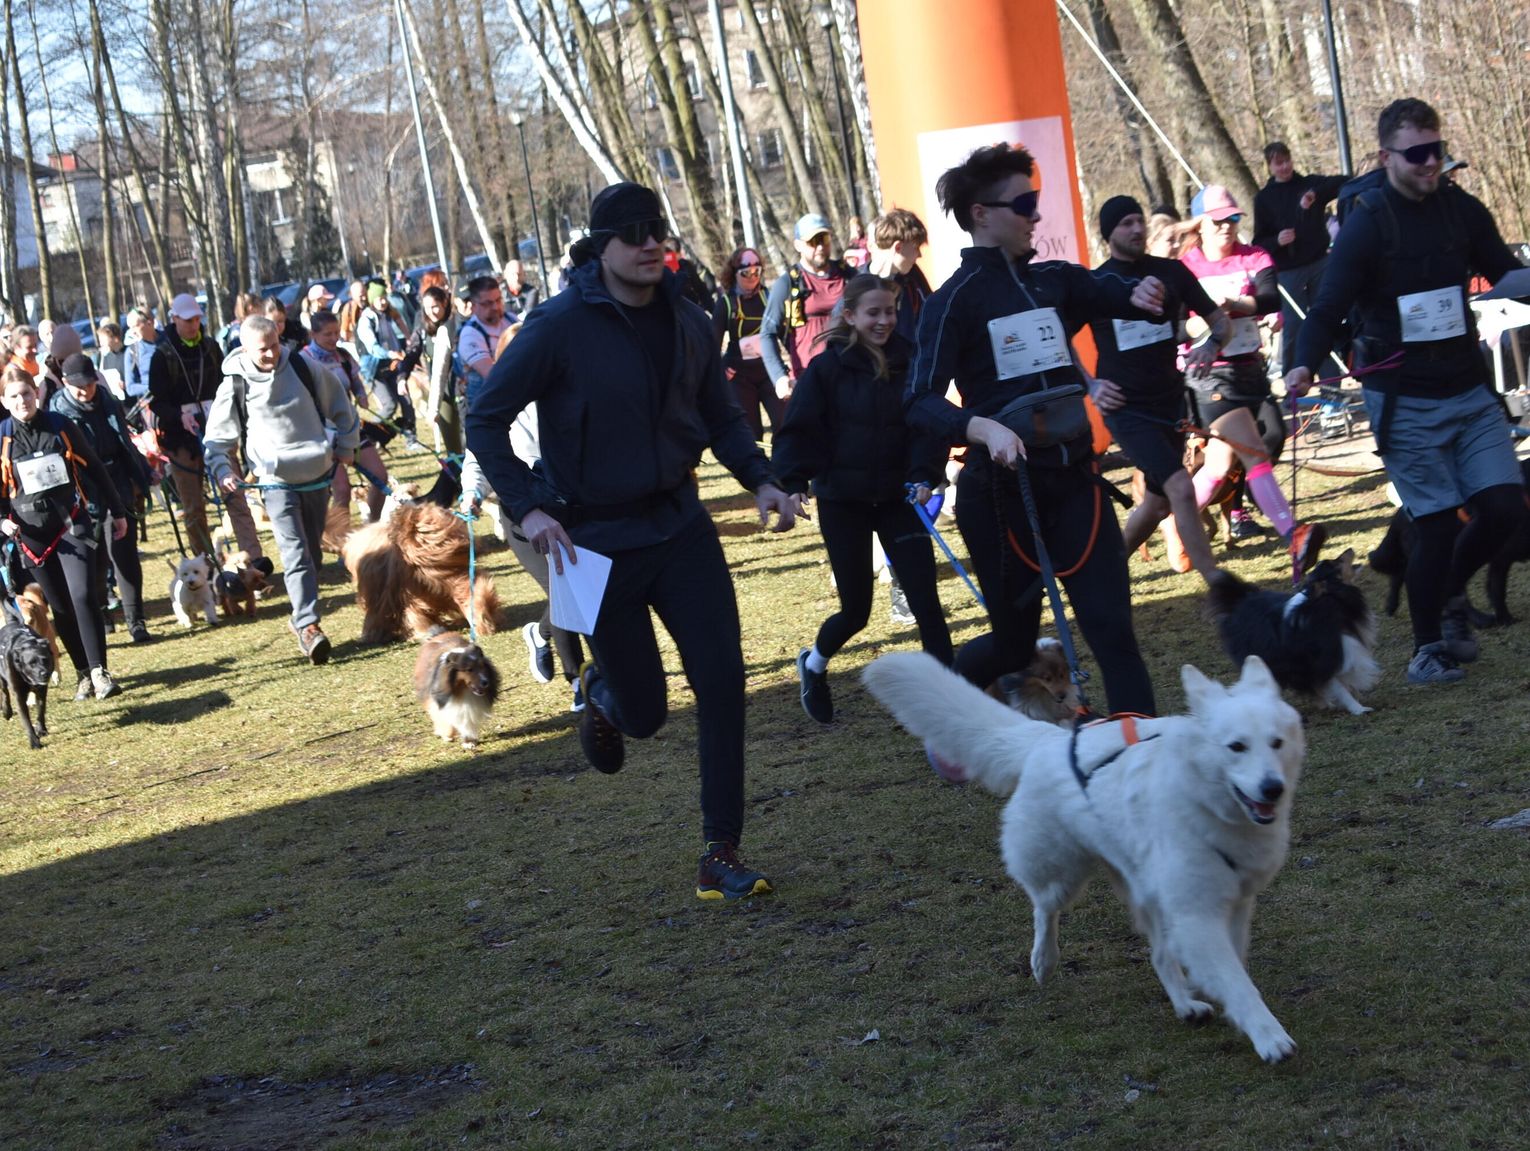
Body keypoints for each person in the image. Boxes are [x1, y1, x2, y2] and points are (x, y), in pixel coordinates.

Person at [465, 181, 799, 902]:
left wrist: (761, 478)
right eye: (633, 233)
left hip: (680, 527)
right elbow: (483, 419)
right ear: (601, 247)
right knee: (646, 715)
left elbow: (720, 415)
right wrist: (529, 506)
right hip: (592, 542)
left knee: (723, 681)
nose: (650, 244)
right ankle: (603, 695)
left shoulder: (689, 318)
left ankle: (719, 851)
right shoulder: (557, 326)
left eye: (658, 230)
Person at [906, 143, 1165, 720]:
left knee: (1112, 630)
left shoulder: (1054, 281)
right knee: (1015, 645)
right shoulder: (952, 302)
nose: (1036, 215)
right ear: (981, 214)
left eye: (1036, 201)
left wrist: (1139, 292)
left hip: (1076, 483)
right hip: (1000, 495)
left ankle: (1139, 753)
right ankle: (945, 711)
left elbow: (1107, 288)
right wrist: (979, 428)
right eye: (1023, 204)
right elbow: (918, 401)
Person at [1287, 97, 1528, 686]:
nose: (1430, 162)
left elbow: (1505, 271)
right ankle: (1427, 650)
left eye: (1436, 150)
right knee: (1437, 526)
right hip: (1402, 397)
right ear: (1386, 157)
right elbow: (1328, 305)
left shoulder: (1461, 210)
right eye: (1417, 153)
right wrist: (1302, 364)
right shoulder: (1368, 224)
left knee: (1504, 507)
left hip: (1468, 389)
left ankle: (1450, 592)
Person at [773, 275, 952, 723]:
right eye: (873, 312)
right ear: (850, 316)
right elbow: (799, 430)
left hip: (897, 499)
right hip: (843, 501)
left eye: (890, 311)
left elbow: (928, 425)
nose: (884, 320)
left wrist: (924, 474)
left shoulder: (910, 361)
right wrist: (793, 482)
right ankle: (814, 664)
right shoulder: (826, 369)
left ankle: (952, 707)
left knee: (926, 603)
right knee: (856, 611)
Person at [1087, 196, 1231, 580]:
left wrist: (1211, 346)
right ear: (1108, 234)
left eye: (1139, 220)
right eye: (1125, 223)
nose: (1136, 228)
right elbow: (1058, 341)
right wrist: (1091, 384)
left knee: (1157, 503)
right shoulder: (1097, 283)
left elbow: (1219, 321)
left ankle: (1104, 575)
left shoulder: (1172, 272)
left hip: (1169, 402)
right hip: (1125, 408)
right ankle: (1219, 585)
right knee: (1181, 487)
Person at [1179, 185, 1322, 566]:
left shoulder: (1255, 256)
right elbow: (1173, 326)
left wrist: (1234, 305)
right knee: (1254, 453)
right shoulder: (1185, 267)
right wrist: (1206, 322)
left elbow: (1271, 297)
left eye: (1233, 218)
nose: (1227, 226)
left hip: (1250, 370)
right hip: (1209, 377)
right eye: (1217, 221)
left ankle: (1177, 519)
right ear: (1200, 225)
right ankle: (1293, 536)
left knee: (1243, 452)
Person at [204, 315, 360, 665]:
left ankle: (301, 618)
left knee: (313, 556)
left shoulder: (303, 367)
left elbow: (341, 404)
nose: (271, 354)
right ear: (245, 349)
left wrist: (347, 445)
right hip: (275, 481)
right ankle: (308, 626)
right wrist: (223, 469)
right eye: (263, 349)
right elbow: (216, 439)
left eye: (275, 345)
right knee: (295, 553)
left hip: (316, 473)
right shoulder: (235, 382)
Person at [0, 365, 128, 699]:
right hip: (31, 536)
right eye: (14, 396)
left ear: (36, 392)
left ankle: (100, 672)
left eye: (26, 393)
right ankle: (83, 672)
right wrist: (2, 521)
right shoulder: (2, 438)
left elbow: (95, 467)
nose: (22, 401)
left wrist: (118, 511)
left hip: (72, 525)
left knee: (83, 595)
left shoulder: (60, 425)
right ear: (4, 401)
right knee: (60, 606)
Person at [147, 294, 264, 561]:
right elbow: (157, 402)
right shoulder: (162, 356)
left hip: (219, 433)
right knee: (193, 507)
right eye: (188, 320)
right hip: (180, 441)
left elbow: (227, 384)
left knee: (235, 497)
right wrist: (179, 416)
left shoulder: (211, 347)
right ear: (174, 319)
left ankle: (254, 560)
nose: (193, 325)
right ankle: (206, 565)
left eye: (197, 319)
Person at [49, 354, 153, 642]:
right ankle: (103, 615)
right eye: (79, 386)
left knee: (125, 555)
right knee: (94, 561)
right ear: (65, 382)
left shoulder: (107, 400)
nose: (86, 391)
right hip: (84, 492)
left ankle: (136, 621)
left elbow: (123, 442)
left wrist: (143, 471)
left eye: (90, 384)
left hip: (117, 483)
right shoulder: (57, 414)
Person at [1251, 143, 1346, 375]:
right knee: (1293, 324)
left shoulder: (1308, 184)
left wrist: (1316, 195)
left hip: (1319, 262)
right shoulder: (1263, 198)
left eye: (1287, 161)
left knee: (1325, 318)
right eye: (1278, 163)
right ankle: (1292, 379)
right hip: (1288, 270)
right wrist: (1277, 241)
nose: (1284, 167)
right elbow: (1259, 242)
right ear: (1270, 166)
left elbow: (1343, 182)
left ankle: (1331, 381)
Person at [302, 309, 390, 525]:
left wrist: (361, 395)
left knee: (380, 477)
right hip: (322, 433)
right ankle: (340, 537)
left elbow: (355, 381)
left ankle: (371, 525)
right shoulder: (303, 360)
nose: (334, 338)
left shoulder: (343, 356)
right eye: (328, 334)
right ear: (313, 334)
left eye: (336, 333)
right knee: (342, 490)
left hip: (349, 426)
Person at [760, 213, 848, 399]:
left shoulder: (848, 275)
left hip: (849, 372)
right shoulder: (788, 283)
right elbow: (767, 332)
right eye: (813, 241)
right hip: (809, 377)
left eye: (824, 239)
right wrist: (779, 377)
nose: (820, 247)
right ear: (798, 245)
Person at [711, 247, 780, 442]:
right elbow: (711, 343)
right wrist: (721, 368)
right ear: (734, 273)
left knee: (783, 421)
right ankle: (758, 462)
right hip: (739, 376)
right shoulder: (726, 303)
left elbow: (785, 332)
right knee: (751, 431)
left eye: (757, 271)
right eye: (746, 272)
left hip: (768, 371)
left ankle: (781, 460)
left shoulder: (769, 297)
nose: (752, 276)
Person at [355, 279, 422, 450]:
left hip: (391, 365)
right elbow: (372, 347)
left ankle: (411, 438)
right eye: (379, 298)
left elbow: (400, 327)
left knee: (406, 401)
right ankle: (367, 434)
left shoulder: (387, 314)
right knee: (390, 404)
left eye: (384, 297)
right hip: (373, 370)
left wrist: (408, 341)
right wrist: (390, 353)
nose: (383, 301)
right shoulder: (366, 320)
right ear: (372, 300)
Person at [419, 285, 464, 457]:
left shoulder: (450, 326)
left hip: (459, 390)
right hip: (443, 393)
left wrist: (433, 408)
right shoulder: (426, 329)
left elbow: (441, 371)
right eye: (427, 307)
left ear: (445, 303)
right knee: (453, 446)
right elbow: (436, 371)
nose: (431, 312)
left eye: (435, 306)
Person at [456, 275, 512, 407]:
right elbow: (492, 375)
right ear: (474, 306)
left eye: (498, 300)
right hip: (487, 405)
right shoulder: (470, 335)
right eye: (487, 303)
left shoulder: (510, 319)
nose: (495, 307)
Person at [94, 322, 128, 398]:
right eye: (100, 341)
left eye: (103, 340)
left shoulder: (128, 354)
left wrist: (126, 384)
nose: (101, 344)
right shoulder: (106, 357)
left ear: (116, 339)